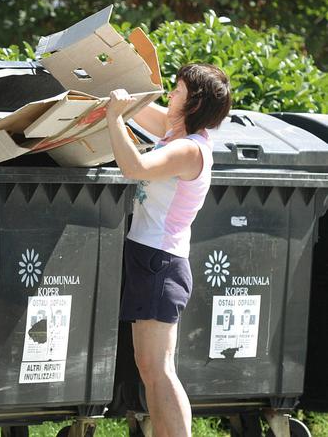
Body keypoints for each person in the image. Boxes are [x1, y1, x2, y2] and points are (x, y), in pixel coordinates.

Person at [105, 63, 232, 437]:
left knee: (158, 369)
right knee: (151, 368)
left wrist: (114, 118)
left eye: (177, 90)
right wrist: (115, 82)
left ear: (193, 103)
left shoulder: (189, 150)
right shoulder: (176, 130)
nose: (170, 94)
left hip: (160, 263)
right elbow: (139, 107)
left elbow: (135, 166)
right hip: (150, 258)